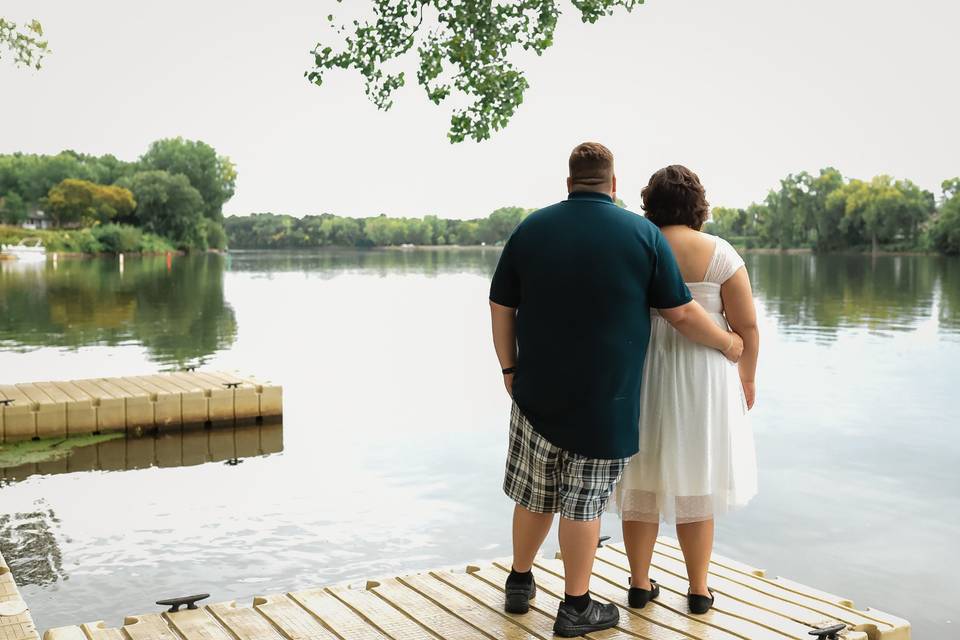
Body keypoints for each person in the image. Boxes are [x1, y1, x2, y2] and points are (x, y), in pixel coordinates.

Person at [488, 143, 744, 637]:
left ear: (569, 183)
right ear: (613, 183)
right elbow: (683, 313)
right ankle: (576, 606)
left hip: (536, 389)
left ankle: (520, 583)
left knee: (534, 495)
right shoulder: (641, 233)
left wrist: (509, 368)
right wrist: (730, 345)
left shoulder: (531, 228)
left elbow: (501, 304)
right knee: (581, 503)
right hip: (608, 397)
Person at [608, 164, 759, 615]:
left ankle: (638, 584)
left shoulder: (638, 247)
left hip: (646, 369)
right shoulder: (721, 254)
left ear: (649, 205)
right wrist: (747, 376)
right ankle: (698, 589)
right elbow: (747, 324)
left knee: (641, 476)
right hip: (703, 374)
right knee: (698, 476)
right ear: (698, 205)